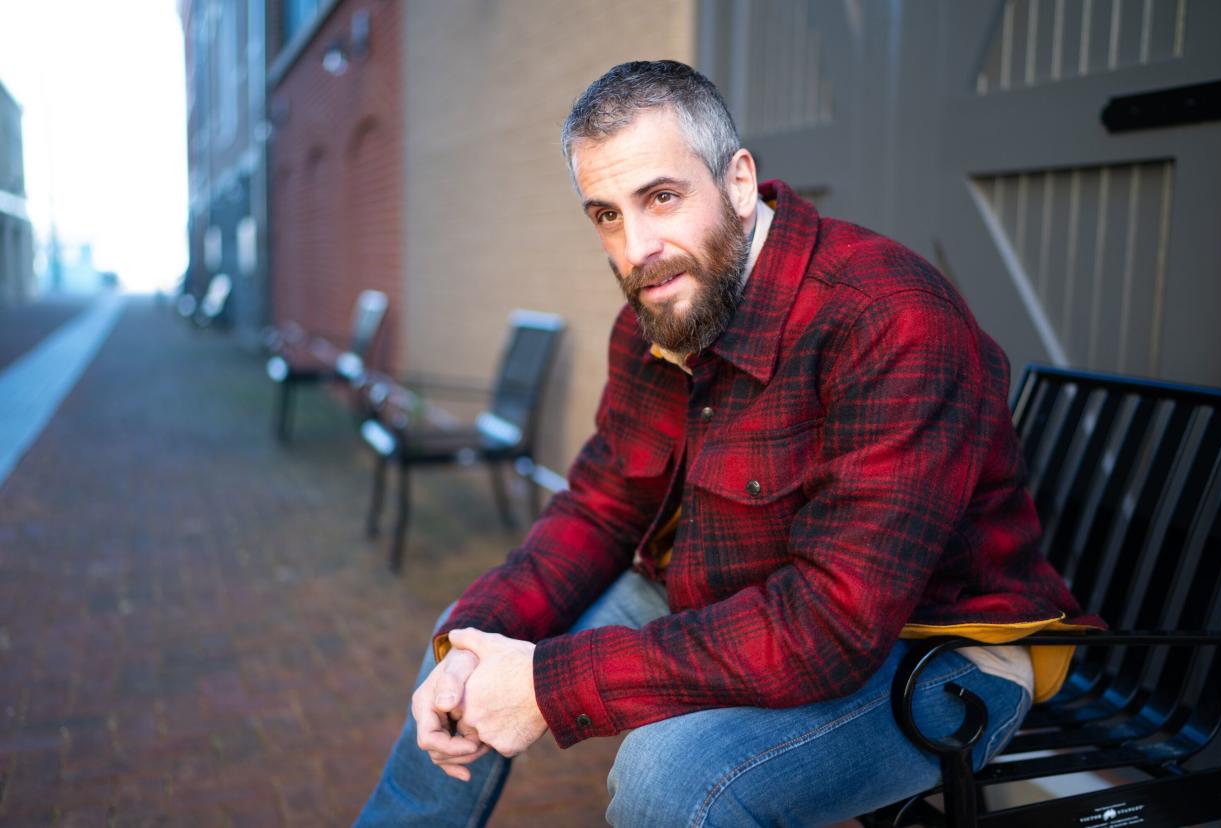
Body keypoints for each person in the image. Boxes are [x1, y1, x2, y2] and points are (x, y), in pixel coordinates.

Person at [356, 60, 1102, 827]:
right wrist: (475, 641)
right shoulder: (656, 316)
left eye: (661, 197)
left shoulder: (889, 318)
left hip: (930, 650)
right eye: (606, 214)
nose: (636, 247)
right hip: (725, 593)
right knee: (467, 643)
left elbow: (834, 624)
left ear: (739, 182)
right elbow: (601, 508)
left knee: (672, 777)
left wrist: (549, 683)